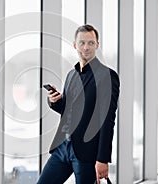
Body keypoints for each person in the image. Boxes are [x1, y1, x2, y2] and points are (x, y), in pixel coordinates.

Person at [37, 24, 120, 184]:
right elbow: (68, 110)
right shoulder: (71, 75)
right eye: (82, 43)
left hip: (87, 153)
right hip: (63, 147)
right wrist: (54, 101)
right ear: (75, 45)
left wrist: (102, 159)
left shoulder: (107, 76)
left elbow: (107, 119)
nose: (86, 47)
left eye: (90, 43)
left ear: (97, 44)